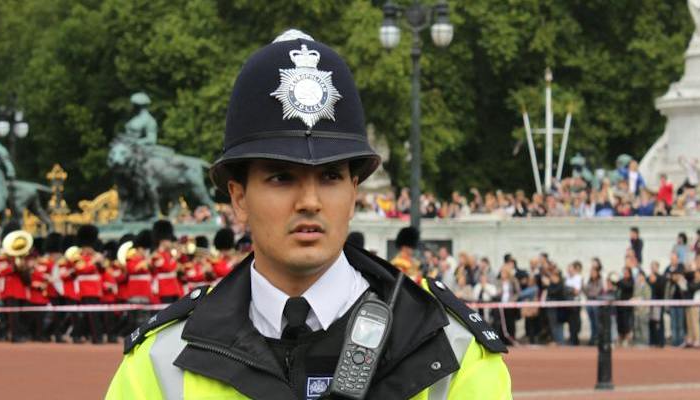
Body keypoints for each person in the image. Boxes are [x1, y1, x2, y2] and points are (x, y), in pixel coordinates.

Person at [107, 30, 511, 399]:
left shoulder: (453, 348)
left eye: (331, 176)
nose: (310, 201)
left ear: (354, 193)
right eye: (282, 177)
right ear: (239, 197)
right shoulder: (159, 361)